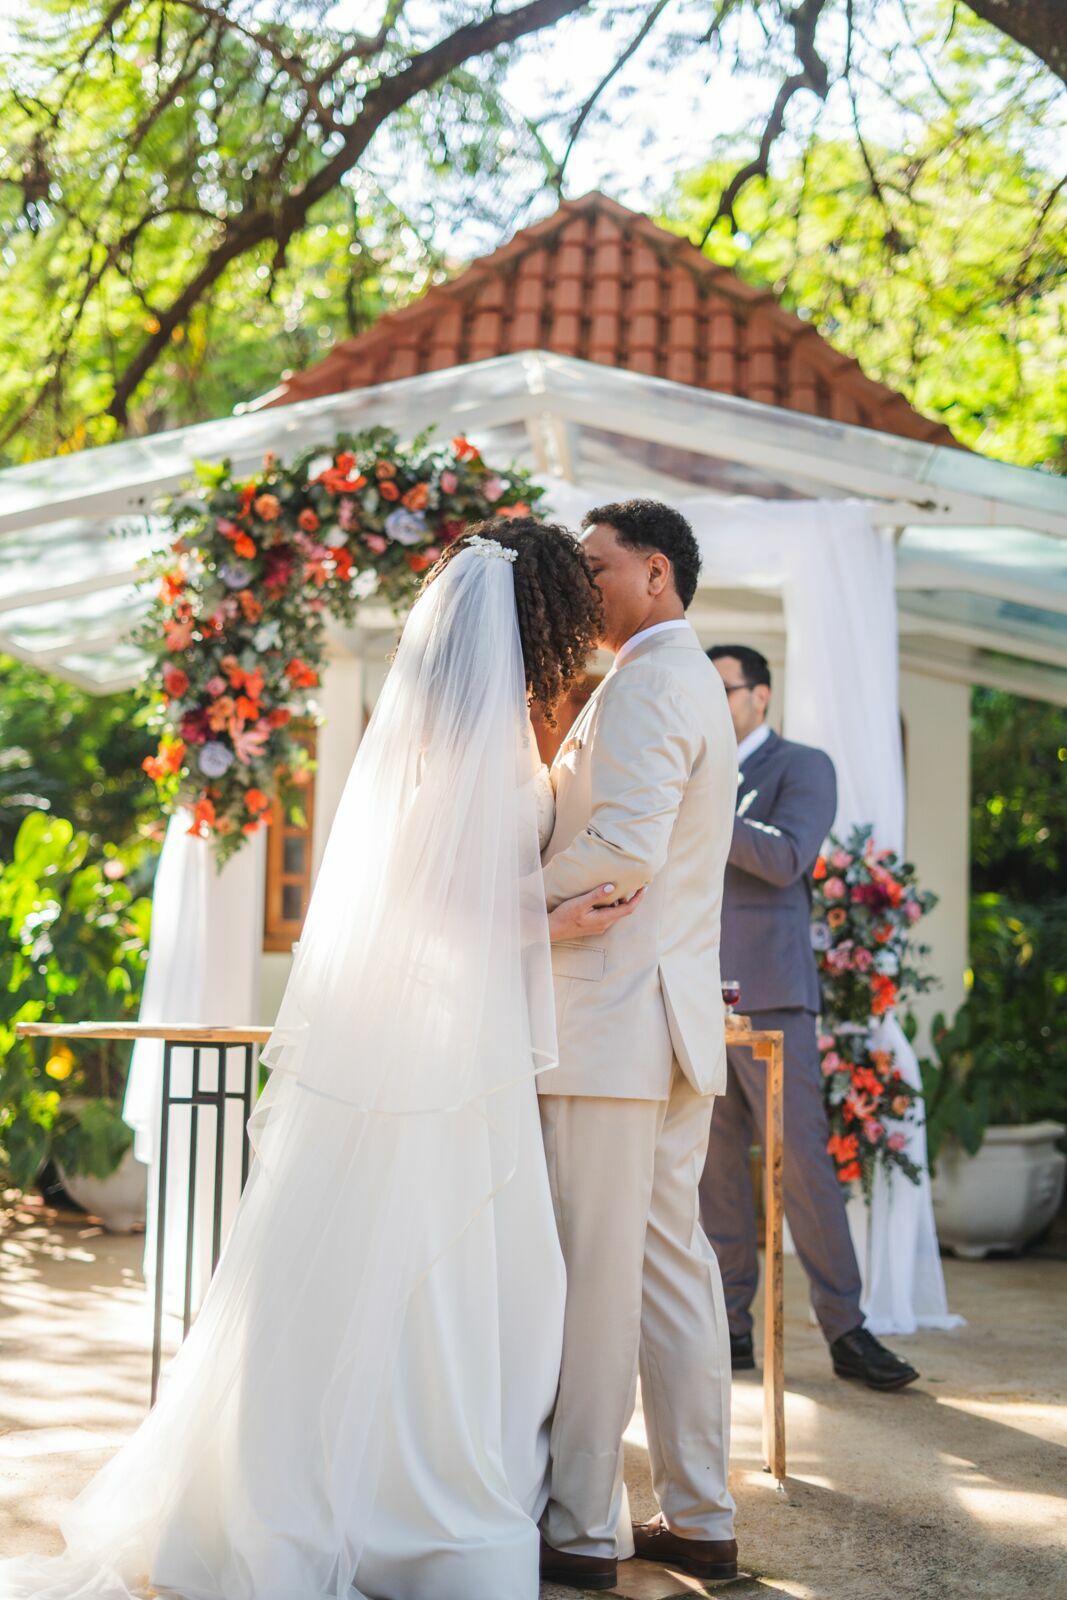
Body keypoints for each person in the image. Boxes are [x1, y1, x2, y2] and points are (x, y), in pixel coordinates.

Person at [0, 519, 644, 1600]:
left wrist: (544, 909)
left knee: (451, 1271)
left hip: (441, 1040)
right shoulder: (474, 742)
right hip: (444, 1047)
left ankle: (387, 1489)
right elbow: (438, 903)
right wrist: (558, 922)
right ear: (537, 620)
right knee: (446, 1269)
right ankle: (401, 1508)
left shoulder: (459, 731)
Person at [537, 499, 740, 1594]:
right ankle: (699, 1514)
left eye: (595, 565)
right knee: (668, 1274)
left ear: (653, 573)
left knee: (596, 1279)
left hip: (609, 1022)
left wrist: (498, 899)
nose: (582, 583)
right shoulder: (670, 677)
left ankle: (576, 1524)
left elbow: (621, 848)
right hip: (654, 1025)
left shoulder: (655, 680)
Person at [699, 644, 919, 1392]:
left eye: (723, 689)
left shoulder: (801, 765)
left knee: (802, 1169)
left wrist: (698, 804)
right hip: (692, 995)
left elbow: (788, 858)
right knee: (713, 1172)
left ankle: (847, 1330)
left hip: (771, 994)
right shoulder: (688, 765)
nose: (712, 700)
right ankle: (729, 1327)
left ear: (759, 696)